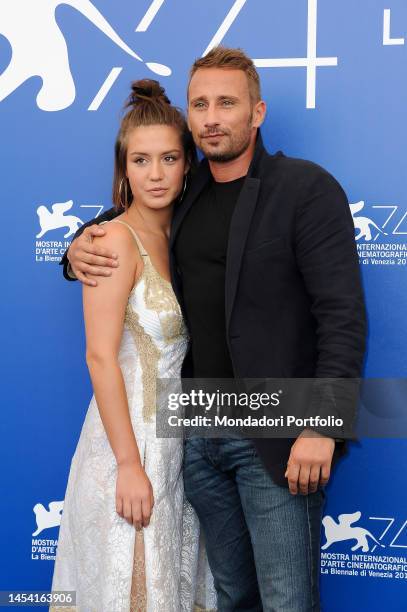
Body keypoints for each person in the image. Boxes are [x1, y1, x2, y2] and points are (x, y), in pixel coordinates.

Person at [62, 48, 366, 611]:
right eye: (200, 104)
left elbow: (342, 316)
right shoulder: (188, 192)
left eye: (228, 102)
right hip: (197, 444)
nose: (212, 116)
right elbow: (132, 221)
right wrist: (76, 245)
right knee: (228, 598)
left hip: (276, 437)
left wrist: (323, 424)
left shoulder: (305, 189)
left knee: (286, 601)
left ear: (257, 112)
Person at [51, 79, 217, 611]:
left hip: (179, 451)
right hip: (128, 448)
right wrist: (128, 463)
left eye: (168, 158)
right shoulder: (111, 240)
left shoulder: (184, 237)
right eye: (141, 160)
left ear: (187, 164)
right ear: (125, 170)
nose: (156, 173)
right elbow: (99, 356)